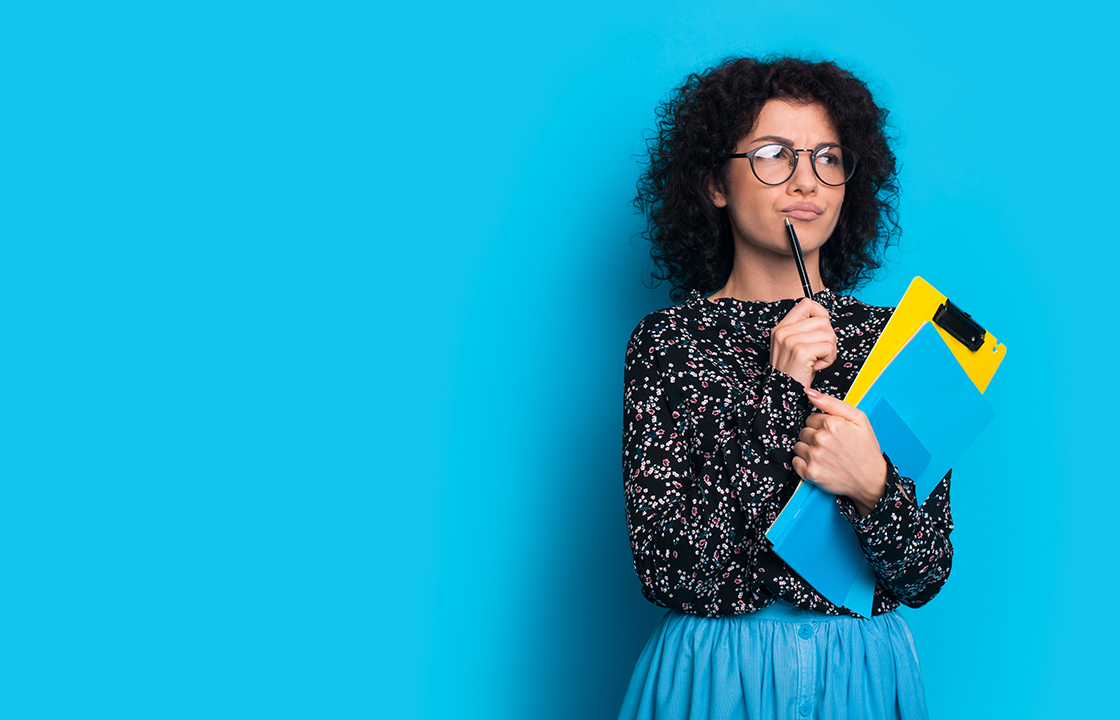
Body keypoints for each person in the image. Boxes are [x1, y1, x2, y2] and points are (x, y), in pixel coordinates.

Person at [618, 57, 952, 720]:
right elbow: (675, 572)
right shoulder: (667, 343)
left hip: (860, 673)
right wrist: (778, 391)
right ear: (716, 180)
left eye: (829, 158)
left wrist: (872, 486)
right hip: (714, 675)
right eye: (774, 155)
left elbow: (924, 573)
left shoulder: (904, 342)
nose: (807, 181)